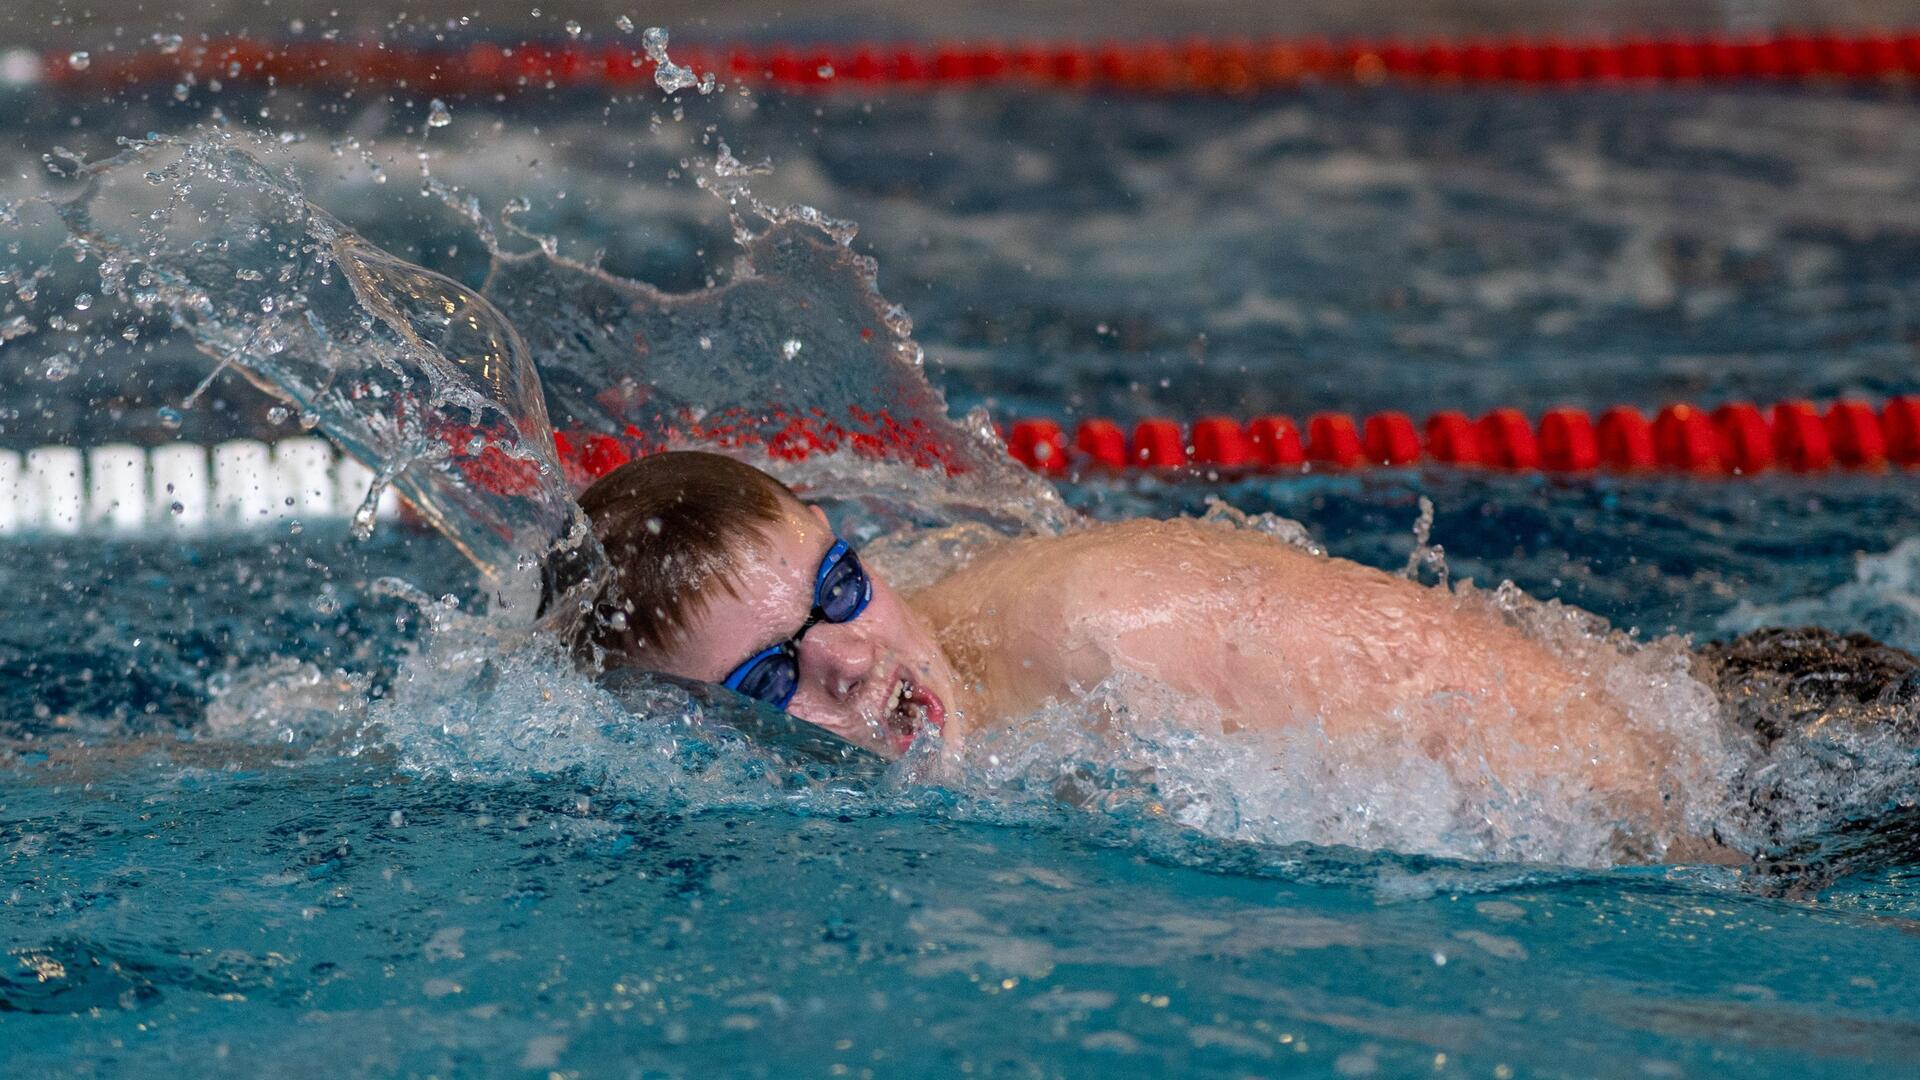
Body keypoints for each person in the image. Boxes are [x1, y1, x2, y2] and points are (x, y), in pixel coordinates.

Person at [572, 449, 1918, 861]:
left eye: (844, 591)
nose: (851, 665)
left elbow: (1540, 718)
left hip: (1774, 762)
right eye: (768, 681)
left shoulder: (1110, 634)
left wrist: (1730, 875)